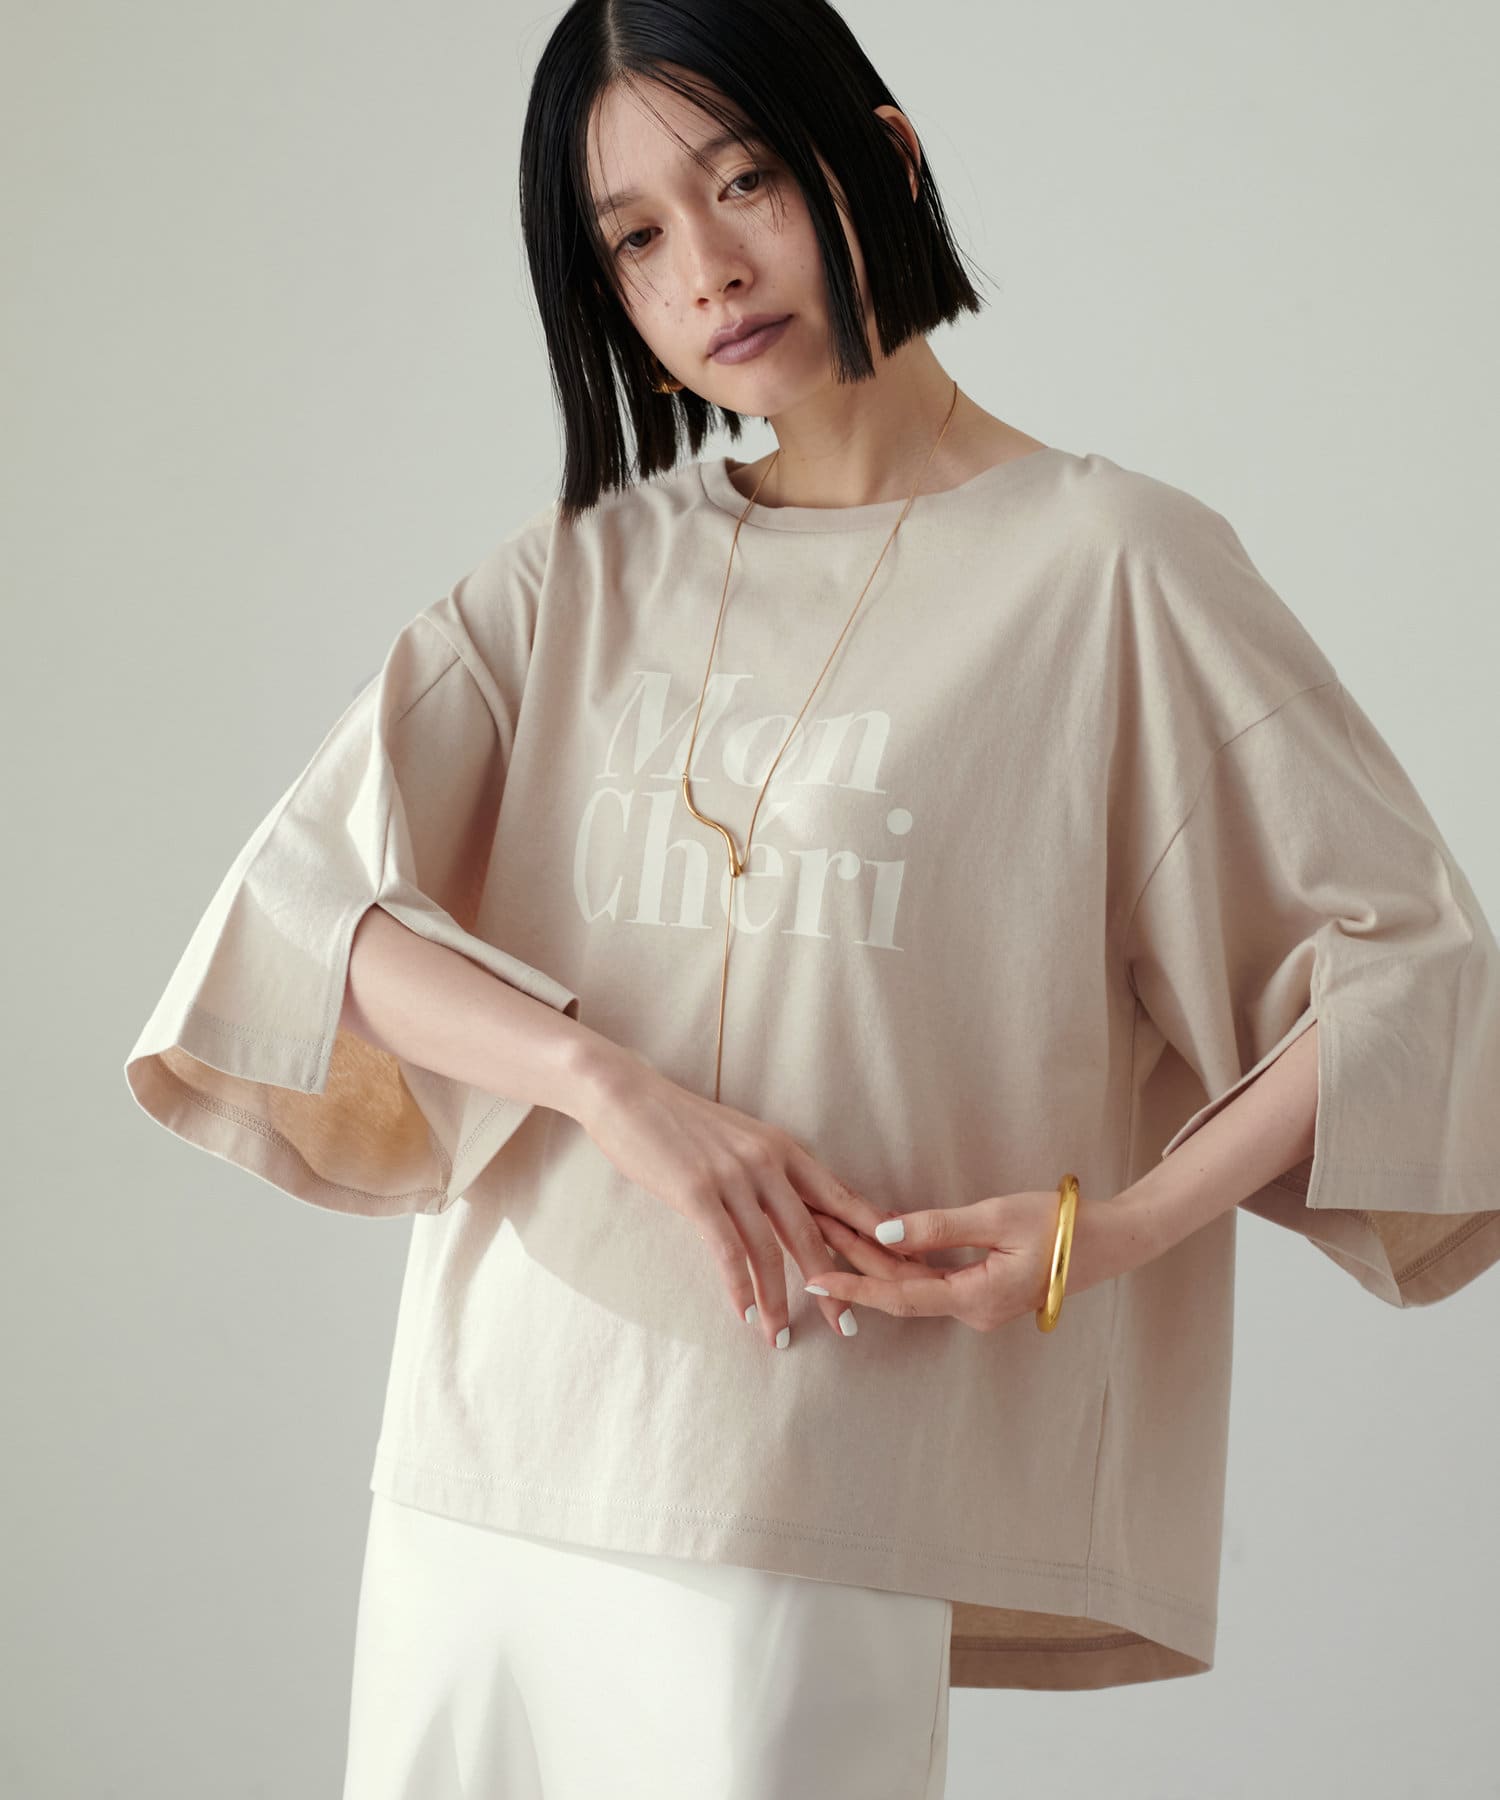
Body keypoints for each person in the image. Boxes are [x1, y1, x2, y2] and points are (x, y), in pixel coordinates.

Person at [122, 2, 1500, 1796]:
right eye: (635, 237)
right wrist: (608, 1087)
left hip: (815, 1465)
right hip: (487, 1453)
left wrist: (1110, 1233)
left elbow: (1415, 972)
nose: (705, 269)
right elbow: (313, 907)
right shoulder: (579, 577)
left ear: (886, 157)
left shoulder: (1113, 567)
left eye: (747, 180)